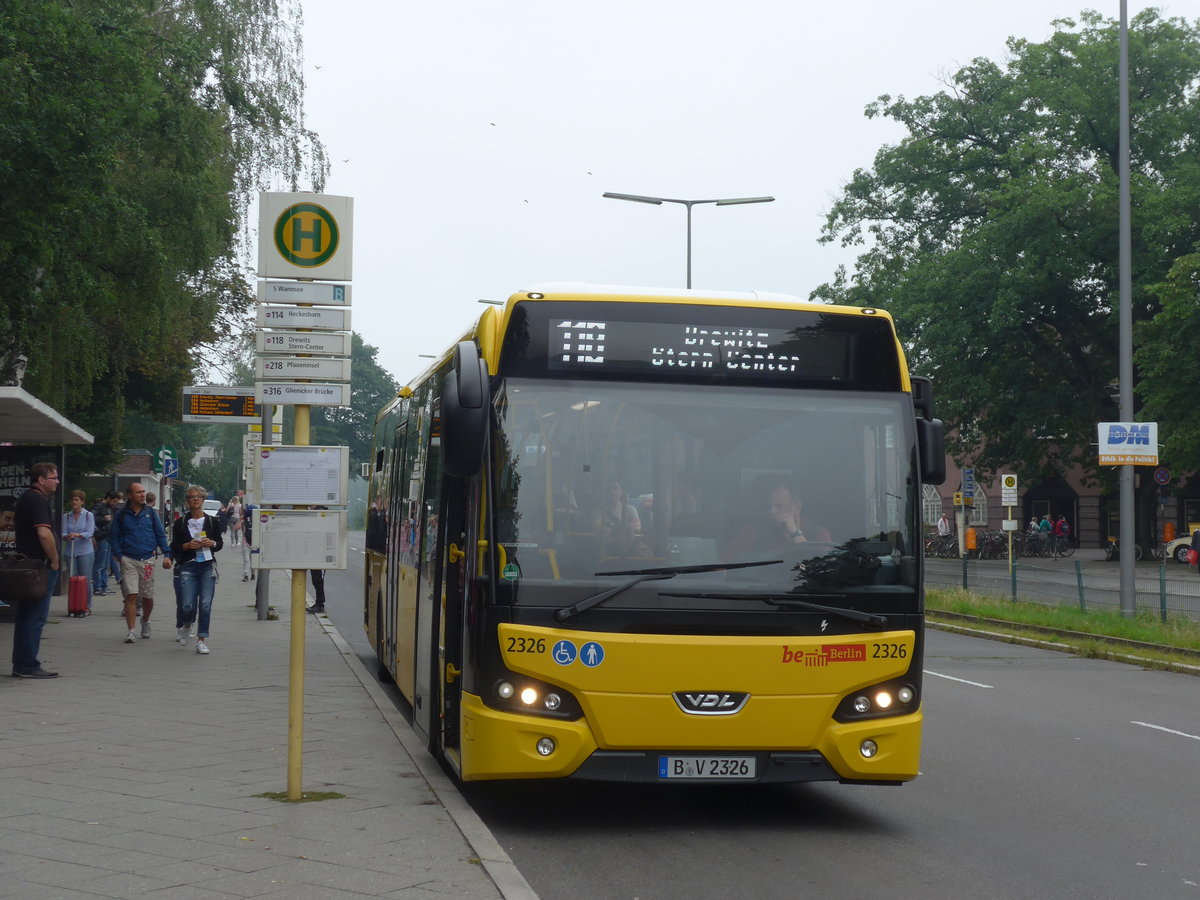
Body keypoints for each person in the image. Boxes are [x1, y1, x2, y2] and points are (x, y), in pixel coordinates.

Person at [11, 462, 61, 678]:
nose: (57, 482)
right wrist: (55, 558)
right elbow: (43, 533)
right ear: (41, 479)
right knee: (35, 616)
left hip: (28, 565)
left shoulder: (27, 498)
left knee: (26, 615)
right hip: (39, 566)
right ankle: (28, 665)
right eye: (54, 477)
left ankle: (22, 662)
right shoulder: (37, 500)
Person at [110, 481, 172, 643]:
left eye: (143, 492)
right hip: (128, 559)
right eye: (138, 492)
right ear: (130, 495)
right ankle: (131, 630)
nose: (143, 494)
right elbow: (114, 536)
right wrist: (119, 554)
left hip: (147, 560)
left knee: (147, 596)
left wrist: (167, 554)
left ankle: (145, 620)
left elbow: (160, 534)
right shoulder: (122, 515)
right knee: (131, 595)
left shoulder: (151, 513)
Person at [170, 485, 222, 654]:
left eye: (198, 496)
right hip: (188, 565)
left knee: (205, 604)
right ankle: (186, 625)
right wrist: (186, 545)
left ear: (203, 499)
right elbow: (174, 545)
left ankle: (201, 639)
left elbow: (219, 543)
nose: (195, 499)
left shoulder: (212, 521)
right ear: (187, 502)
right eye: (192, 497)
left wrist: (212, 543)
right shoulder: (181, 522)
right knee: (186, 605)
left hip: (207, 566)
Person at [724, 478, 831, 560]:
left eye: (779, 506)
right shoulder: (756, 530)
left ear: (797, 507)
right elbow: (725, 562)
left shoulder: (819, 534)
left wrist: (795, 533)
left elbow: (818, 572)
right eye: (770, 506)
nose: (772, 511)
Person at [62, 489, 95, 615]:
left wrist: (79, 535)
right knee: (73, 579)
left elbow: (90, 532)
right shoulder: (67, 516)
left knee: (85, 579)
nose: (74, 502)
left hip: (85, 550)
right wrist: (67, 536)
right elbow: (63, 532)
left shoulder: (88, 515)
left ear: (82, 502)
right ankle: (73, 606)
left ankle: (86, 606)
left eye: (77, 500)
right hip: (71, 551)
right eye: (72, 499)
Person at [90, 491, 118, 596]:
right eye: (114, 501)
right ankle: (98, 587)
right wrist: (103, 519)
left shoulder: (107, 507)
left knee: (105, 564)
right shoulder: (100, 506)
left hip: (107, 537)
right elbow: (90, 516)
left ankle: (103, 586)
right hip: (102, 537)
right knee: (100, 564)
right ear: (109, 498)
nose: (115, 504)